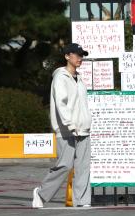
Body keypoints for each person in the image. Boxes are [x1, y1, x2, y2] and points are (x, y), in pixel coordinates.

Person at [32, 43, 92, 208]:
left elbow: (82, 105)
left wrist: (86, 122)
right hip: (67, 130)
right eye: (77, 55)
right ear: (67, 56)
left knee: (83, 167)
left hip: (83, 129)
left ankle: (82, 201)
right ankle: (41, 193)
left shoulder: (79, 79)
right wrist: (69, 124)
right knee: (64, 165)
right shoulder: (60, 77)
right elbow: (61, 103)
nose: (80, 58)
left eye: (82, 55)